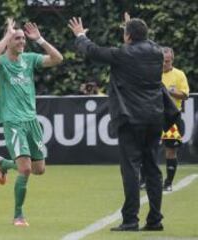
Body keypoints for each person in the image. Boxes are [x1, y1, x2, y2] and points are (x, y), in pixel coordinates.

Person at [68, 13, 165, 231]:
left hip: (130, 118)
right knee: (152, 168)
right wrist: (129, 26)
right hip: (154, 117)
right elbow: (140, 40)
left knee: (131, 169)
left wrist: (81, 35)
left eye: (124, 33)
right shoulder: (158, 52)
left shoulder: (124, 54)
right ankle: (155, 220)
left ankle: (130, 219)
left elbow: (93, 51)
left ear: (128, 36)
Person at [0, 18, 63, 227]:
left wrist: (39, 39)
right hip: (13, 122)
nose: (21, 41)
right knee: (26, 170)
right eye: (17, 38)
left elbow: (57, 59)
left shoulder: (29, 59)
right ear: (8, 41)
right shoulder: (1, 63)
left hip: (31, 121)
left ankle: (4, 164)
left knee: (39, 169)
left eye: (22, 38)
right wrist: (6, 35)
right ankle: (18, 216)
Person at [140, 47, 190, 191]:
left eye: (167, 61)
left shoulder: (179, 74)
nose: (164, 64)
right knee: (146, 148)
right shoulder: (152, 74)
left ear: (172, 60)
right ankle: (143, 180)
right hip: (152, 115)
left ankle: (168, 183)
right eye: (162, 61)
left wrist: (171, 92)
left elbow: (185, 95)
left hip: (172, 118)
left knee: (170, 149)